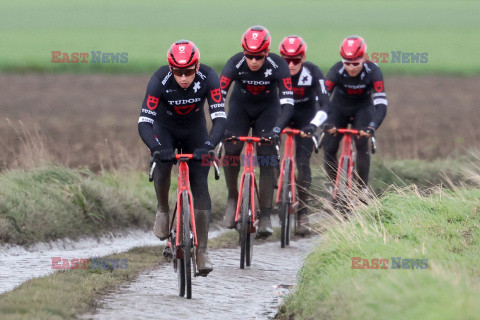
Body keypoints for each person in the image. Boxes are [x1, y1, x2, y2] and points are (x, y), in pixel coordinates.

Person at [138, 40, 226, 276]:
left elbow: (219, 118)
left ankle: (202, 252)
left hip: (195, 131)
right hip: (165, 129)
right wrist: (156, 147)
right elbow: (144, 122)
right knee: (163, 164)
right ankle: (163, 209)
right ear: (171, 68)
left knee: (200, 184)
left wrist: (209, 145)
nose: (184, 77)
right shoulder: (159, 80)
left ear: (196, 67)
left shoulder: (209, 77)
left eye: (188, 71)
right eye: (178, 72)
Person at [220, 25, 294, 238]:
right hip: (239, 109)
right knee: (232, 149)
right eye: (249, 56)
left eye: (258, 57)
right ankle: (233, 198)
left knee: (267, 156)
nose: (253, 61)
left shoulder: (278, 65)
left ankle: (265, 216)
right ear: (244, 53)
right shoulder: (234, 63)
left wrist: (277, 129)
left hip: (267, 111)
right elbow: (218, 97)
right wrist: (220, 126)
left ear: (266, 53)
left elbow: (288, 103)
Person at [323, 35, 387, 195]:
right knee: (329, 147)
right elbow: (322, 99)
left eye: (356, 63)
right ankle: (334, 185)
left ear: (363, 58)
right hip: (339, 108)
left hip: (363, 109)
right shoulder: (336, 70)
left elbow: (381, 103)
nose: (351, 67)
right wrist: (324, 121)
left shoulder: (373, 71)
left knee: (361, 144)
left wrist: (373, 126)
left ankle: (362, 189)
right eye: (347, 63)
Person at [278, 35, 330, 235]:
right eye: (286, 60)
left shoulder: (313, 71)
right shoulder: (274, 70)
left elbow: (326, 105)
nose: (290, 65)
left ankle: (303, 212)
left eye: (296, 60)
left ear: (304, 57)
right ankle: (274, 182)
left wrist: (313, 126)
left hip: (304, 118)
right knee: (266, 149)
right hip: (281, 114)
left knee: (302, 163)